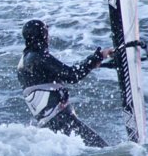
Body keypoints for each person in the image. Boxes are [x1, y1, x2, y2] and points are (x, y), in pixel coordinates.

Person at [16, 19, 118, 148]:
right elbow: (72, 75)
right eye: (47, 33)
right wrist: (98, 56)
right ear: (42, 36)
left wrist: (95, 63)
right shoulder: (39, 57)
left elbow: (55, 76)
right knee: (104, 150)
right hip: (61, 120)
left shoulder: (24, 61)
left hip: (48, 123)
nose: (49, 37)